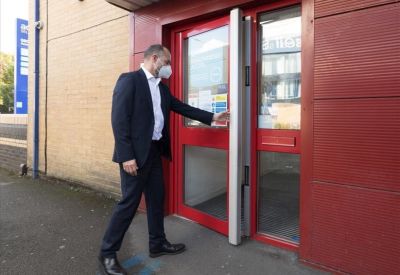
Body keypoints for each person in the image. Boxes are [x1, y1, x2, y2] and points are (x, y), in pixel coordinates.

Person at [98, 44, 230, 275]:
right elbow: (118, 121)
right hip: (135, 156)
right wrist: (126, 155)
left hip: (155, 151)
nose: (169, 68)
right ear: (155, 58)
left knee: (157, 198)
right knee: (128, 204)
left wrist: (212, 116)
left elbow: (181, 107)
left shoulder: (161, 88)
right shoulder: (129, 81)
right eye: (167, 63)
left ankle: (157, 243)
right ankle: (107, 253)